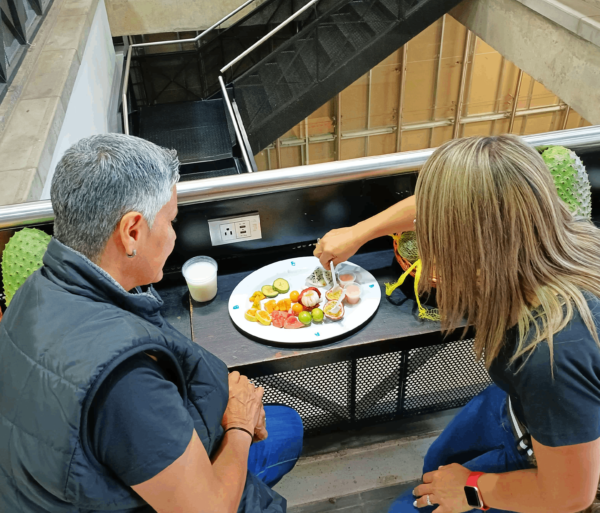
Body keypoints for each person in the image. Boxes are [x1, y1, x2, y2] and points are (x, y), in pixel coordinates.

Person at [0, 134, 303, 513]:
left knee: (284, 425)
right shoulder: (124, 381)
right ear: (131, 232)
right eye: (171, 220)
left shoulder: (34, 290)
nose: (174, 235)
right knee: (285, 429)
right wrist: (240, 425)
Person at [315, 134, 600, 513]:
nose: (426, 241)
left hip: (561, 461)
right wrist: (359, 233)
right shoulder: (553, 230)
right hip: (524, 405)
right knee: (439, 461)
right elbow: (453, 203)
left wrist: (471, 490)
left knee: (410, 506)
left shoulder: (550, 356)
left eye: (435, 238)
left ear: (477, 251)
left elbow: (569, 495)